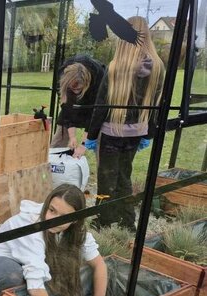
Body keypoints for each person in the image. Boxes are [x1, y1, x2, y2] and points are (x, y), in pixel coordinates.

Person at [85, 16, 165, 231]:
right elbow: (157, 104)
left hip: (112, 132)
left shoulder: (115, 67)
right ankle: (127, 221)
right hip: (136, 132)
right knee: (124, 175)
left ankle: (104, 220)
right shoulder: (157, 67)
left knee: (106, 177)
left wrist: (91, 136)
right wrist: (148, 134)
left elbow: (101, 105)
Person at [0, 184, 108, 296]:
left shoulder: (76, 231)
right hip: (0, 265)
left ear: (75, 220)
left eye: (64, 217)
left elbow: (99, 264)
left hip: (33, 262)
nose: (53, 219)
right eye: (52, 210)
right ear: (47, 204)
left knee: (74, 264)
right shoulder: (31, 226)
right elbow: (35, 286)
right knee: (11, 274)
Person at [51, 55, 105, 159]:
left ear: (86, 83)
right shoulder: (62, 75)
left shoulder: (99, 77)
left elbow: (95, 114)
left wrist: (84, 144)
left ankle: (103, 169)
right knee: (59, 137)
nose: (76, 92)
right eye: (72, 89)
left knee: (100, 141)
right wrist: (72, 136)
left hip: (94, 103)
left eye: (78, 89)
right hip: (72, 101)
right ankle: (51, 162)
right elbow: (66, 108)